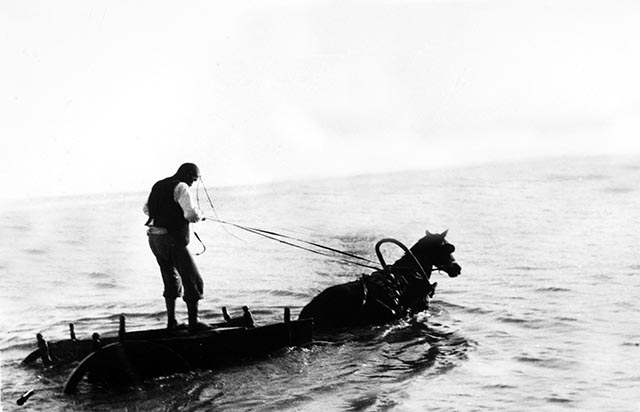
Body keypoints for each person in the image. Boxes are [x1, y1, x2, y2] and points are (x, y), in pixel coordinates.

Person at [144, 163, 209, 332]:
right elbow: (191, 214)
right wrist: (200, 216)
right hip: (170, 240)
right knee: (193, 280)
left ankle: (171, 322)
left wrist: (168, 213)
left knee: (170, 278)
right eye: (193, 180)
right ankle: (194, 324)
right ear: (187, 175)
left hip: (154, 239)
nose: (193, 184)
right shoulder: (181, 187)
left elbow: (146, 209)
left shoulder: (159, 185)